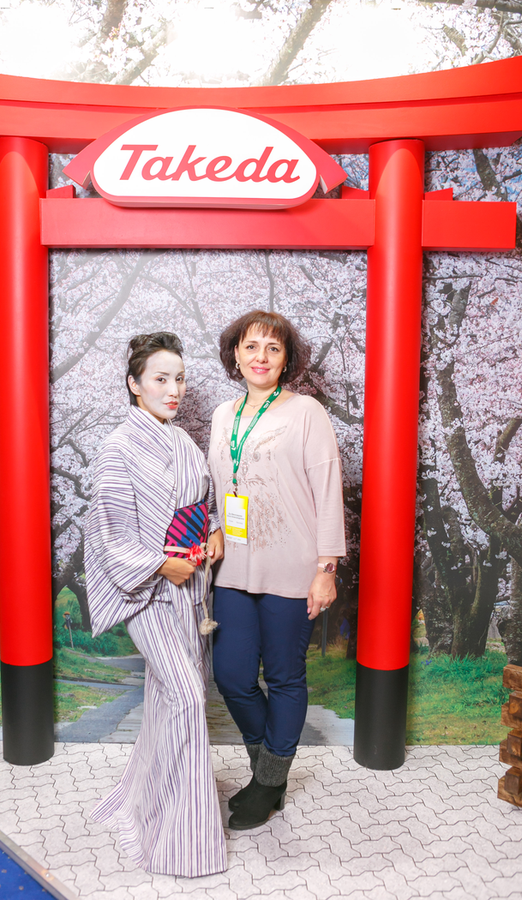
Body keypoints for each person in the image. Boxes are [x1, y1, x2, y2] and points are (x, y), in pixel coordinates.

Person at [85, 332, 227, 877]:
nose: (174, 390)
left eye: (180, 379)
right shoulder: (117, 447)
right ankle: (180, 843)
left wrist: (212, 532)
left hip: (192, 589)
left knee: (173, 700)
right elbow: (109, 533)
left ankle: (154, 803)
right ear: (134, 384)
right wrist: (160, 564)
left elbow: (203, 502)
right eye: (161, 379)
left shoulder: (183, 441)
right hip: (150, 592)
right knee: (187, 698)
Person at [208, 310, 346, 830]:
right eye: (251, 346)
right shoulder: (223, 415)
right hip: (234, 567)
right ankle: (270, 772)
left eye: (273, 348)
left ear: (286, 359)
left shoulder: (306, 411)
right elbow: (217, 483)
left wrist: (326, 567)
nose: (260, 357)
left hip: (293, 565)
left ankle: (266, 785)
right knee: (232, 675)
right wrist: (214, 526)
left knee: (286, 677)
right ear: (236, 354)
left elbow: (328, 490)